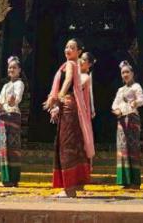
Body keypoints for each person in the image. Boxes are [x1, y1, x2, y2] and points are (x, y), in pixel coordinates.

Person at [44, 38, 94, 198]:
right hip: (69, 107)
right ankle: (73, 184)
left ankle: (69, 189)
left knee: (66, 146)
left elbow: (67, 81)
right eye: (66, 46)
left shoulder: (72, 64)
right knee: (70, 144)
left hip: (69, 108)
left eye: (72, 47)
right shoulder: (67, 65)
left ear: (79, 51)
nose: (68, 49)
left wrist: (58, 96)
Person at [111, 61, 143, 189]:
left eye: (127, 72)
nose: (125, 74)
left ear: (132, 73)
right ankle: (124, 180)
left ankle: (134, 181)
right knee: (122, 148)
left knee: (133, 148)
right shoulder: (120, 90)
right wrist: (116, 110)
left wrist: (135, 103)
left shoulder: (136, 86)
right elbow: (115, 104)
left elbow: (141, 100)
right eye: (123, 73)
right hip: (121, 120)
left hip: (132, 119)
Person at [0, 56, 25, 187]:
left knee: (12, 147)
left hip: (13, 115)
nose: (11, 70)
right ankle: (5, 179)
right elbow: (0, 101)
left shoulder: (19, 84)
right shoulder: (6, 85)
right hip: (4, 116)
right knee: (3, 147)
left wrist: (13, 101)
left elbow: (17, 98)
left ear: (19, 70)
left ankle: (13, 178)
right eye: (9, 67)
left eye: (14, 67)